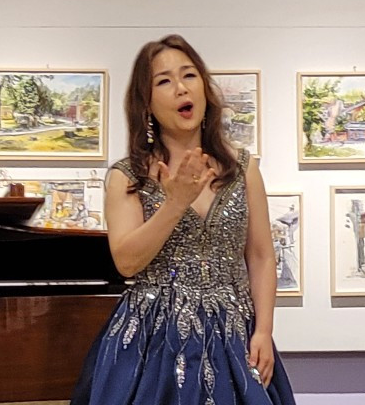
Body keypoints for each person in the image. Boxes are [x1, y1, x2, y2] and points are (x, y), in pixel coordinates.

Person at [71, 35, 296, 404]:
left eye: (189, 75)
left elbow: (261, 255)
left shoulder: (242, 168)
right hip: (152, 341)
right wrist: (175, 203)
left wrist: (264, 330)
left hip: (236, 334)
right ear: (146, 104)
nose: (180, 88)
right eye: (164, 81)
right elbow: (127, 261)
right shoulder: (128, 176)